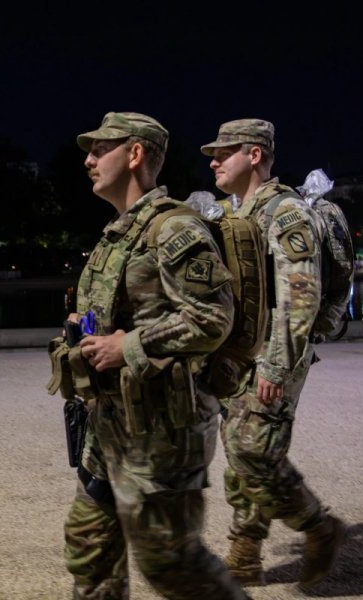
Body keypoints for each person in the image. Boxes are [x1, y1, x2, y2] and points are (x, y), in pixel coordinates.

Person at [58, 112, 247, 600]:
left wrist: (130, 346)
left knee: (171, 565)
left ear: (136, 154)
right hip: (110, 422)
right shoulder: (119, 232)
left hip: (164, 429)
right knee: (88, 545)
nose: (89, 159)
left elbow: (213, 317)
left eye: (101, 149)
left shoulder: (174, 229)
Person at [200, 119, 346, 589]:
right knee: (240, 450)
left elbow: (301, 293)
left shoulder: (285, 213)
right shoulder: (234, 212)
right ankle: (245, 552)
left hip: (277, 350)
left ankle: (319, 527)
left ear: (256, 155)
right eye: (213, 154)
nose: (215, 161)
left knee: (253, 448)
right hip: (238, 351)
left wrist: (278, 363)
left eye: (226, 152)